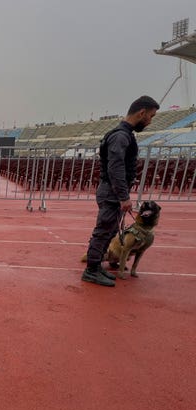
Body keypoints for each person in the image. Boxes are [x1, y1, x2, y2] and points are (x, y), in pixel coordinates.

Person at [82, 95, 159, 286]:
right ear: (141, 113)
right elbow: (115, 168)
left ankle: (97, 265)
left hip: (112, 191)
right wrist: (124, 197)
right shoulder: (120, 136)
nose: (150, 121)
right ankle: (91, 269)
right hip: (112, 192)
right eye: (150, 116)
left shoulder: (124, 134)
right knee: (103, 231)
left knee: (109, 231)